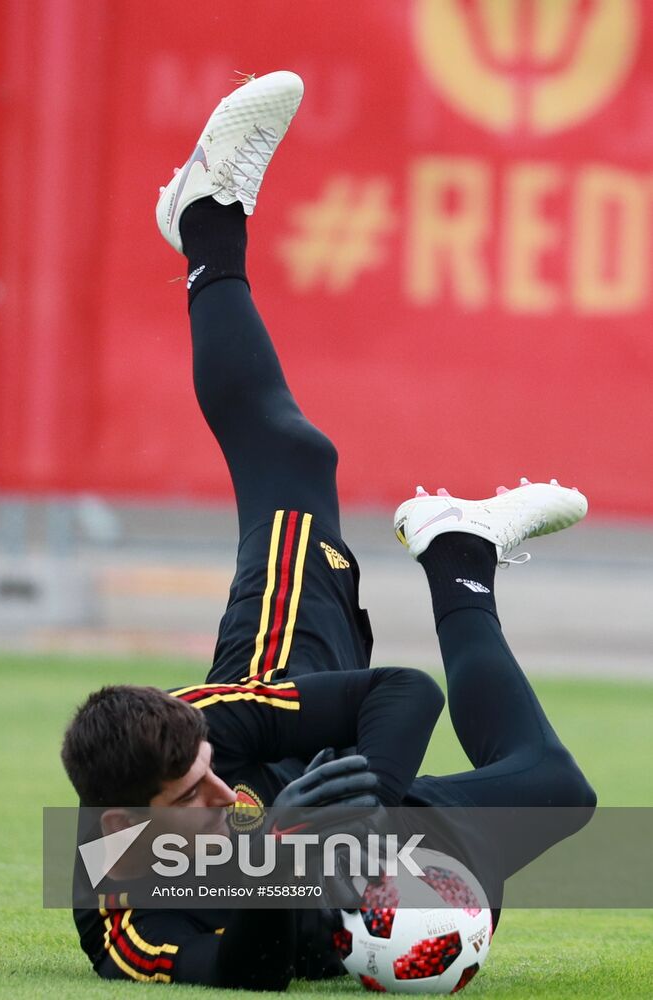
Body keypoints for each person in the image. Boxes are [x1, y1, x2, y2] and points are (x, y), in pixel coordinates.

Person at [60, 71, 596, 990]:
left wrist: (364, 814)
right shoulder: (119, 917)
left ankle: (206, 221)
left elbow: (403, 693)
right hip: (318, 828)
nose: (221, 790)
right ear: (124, 833)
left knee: (297, 458)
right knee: (557, 793)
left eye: (205, 769)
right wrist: (281, 859)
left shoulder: (216, 728)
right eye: (191, 797)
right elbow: (237, 973)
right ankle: (459, 552)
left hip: (290, 682)